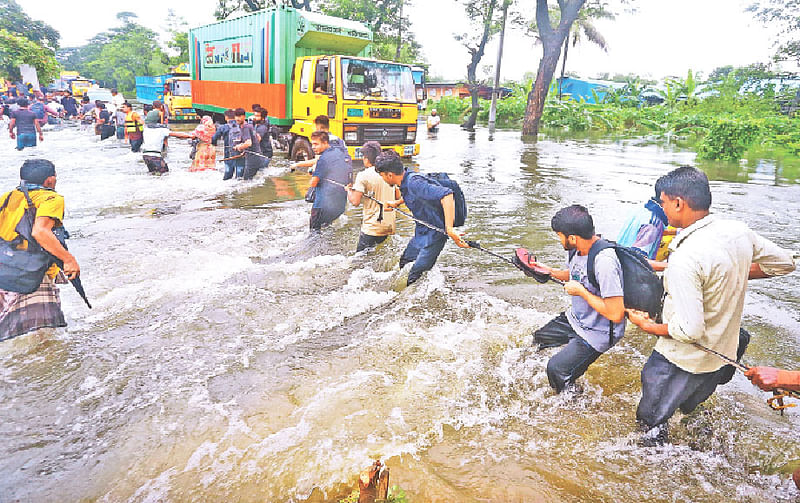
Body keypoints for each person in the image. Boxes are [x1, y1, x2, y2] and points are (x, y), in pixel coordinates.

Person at [626, 166, 796, 444]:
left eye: (664, 202)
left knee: (650, 427)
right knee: (689, 411)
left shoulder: (686, 256)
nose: (663, 208)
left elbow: (690, 330)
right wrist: (735, 271)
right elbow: (784, 263)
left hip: (680, 359)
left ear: (679, 203)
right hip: (721, 356)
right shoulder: (737, 231)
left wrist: (647, 325)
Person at [527, 205, 627, 392]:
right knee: (538, 340)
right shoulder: (576, 249)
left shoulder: (604, 262)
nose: (559, 239)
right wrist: (547, 271)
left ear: (572, 237)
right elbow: (574, 274)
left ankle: (575, 406)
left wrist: (581, 292)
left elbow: (616, 314)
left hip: (599, 332)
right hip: (576, 319)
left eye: (559, 235)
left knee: (556, 370)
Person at [0, 159, 80, 342]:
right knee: (45, 337)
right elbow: (40, 231)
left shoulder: (7, 197)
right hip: (33, 273)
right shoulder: (51, 198)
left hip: (4, 270)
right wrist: (68, 259)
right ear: (50, 180)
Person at [375, 151, 469, 285]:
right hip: (422, 231)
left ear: (389, 175)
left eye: (382, 175)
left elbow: (447, 195)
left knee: (415, 276)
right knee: (405, 262)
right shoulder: (406, 181)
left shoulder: (414, 183)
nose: (382, 179)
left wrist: (449, 228)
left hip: (436, 234)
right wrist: (396, 203)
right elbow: (417, 194)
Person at [347, 141, 397, 252]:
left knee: (358, 261)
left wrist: (349, 191)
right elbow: (397, 195)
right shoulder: (389, 172)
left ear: (366, 159)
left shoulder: (363, 175)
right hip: (389, 226)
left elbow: (355, 202)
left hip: (372, 228)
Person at [308, 131, 353, 230]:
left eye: (316, 144)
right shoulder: (340, 153)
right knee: (326, 229)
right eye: (312, 144)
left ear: (325, 143)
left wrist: (313, 172)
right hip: (339, 206)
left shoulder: (323, 159)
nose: (313, 147)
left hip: (322, 206)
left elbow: (313, 183)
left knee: (314, 234)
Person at [211, 109, 243, 180]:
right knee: (240, 176)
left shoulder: (223, 127)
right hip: (241, 153)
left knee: (228, 175)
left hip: (228, 153)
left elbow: (214, 138)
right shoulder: (242, 126)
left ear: (226, 117)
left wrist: (214, 145)